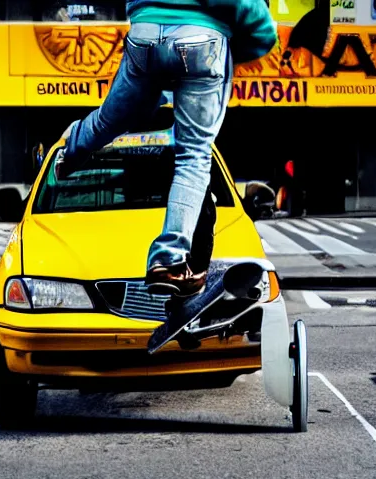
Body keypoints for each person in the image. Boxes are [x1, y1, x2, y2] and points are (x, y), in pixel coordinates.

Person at [55, 0, 277, 296]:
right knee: (193, 156)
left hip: (145, 35)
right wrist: (258, 38)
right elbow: (242, 7)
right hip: (201, 41)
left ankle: (68, 151)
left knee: (111, 119)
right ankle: (168, 258)